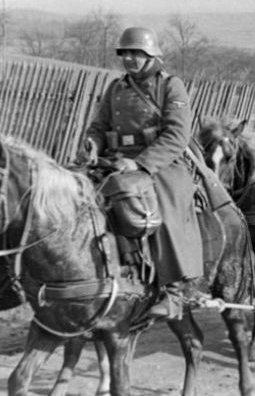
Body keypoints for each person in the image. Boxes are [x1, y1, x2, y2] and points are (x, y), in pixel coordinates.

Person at [82, 26, 202, 319]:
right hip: (114, 160)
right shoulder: (116, 87)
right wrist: (92, 145)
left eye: (137, 54)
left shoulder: (171, 86)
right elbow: (99, 126)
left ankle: (175, 291)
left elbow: (176, 135)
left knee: (163, 205)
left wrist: (141, 164)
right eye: (125, 54)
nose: (130, 59)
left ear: (151, 56)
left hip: (160, 163)